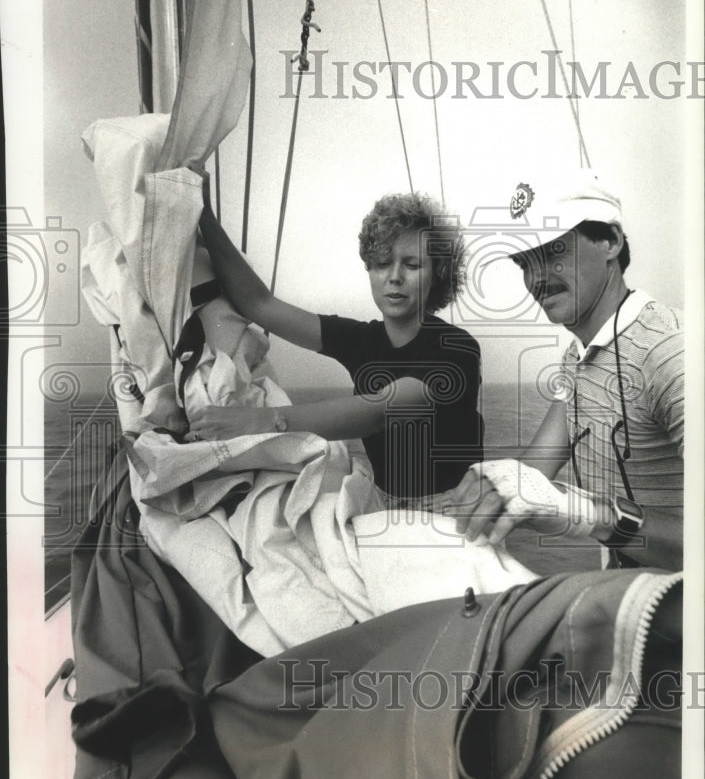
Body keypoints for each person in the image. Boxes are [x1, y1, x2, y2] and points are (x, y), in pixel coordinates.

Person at [430, 168, 683, 570]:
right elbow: (529, 477)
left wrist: (583, 512)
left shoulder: (672, 351)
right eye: (524, 262)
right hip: (627, 597)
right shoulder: (577, 359)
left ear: (611, 241)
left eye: (553, 251)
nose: (537, 277)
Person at [191, 183, 484, 503]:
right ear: (369, 269)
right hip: (384, 510)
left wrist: (259, 421)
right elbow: (261, 305)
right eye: (383, 263)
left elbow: (381, 411)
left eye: (412, 265)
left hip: (455, 519)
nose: (395, 276)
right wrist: (206, 218)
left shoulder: (457, 349)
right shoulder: (362, 340)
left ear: (438, 273)